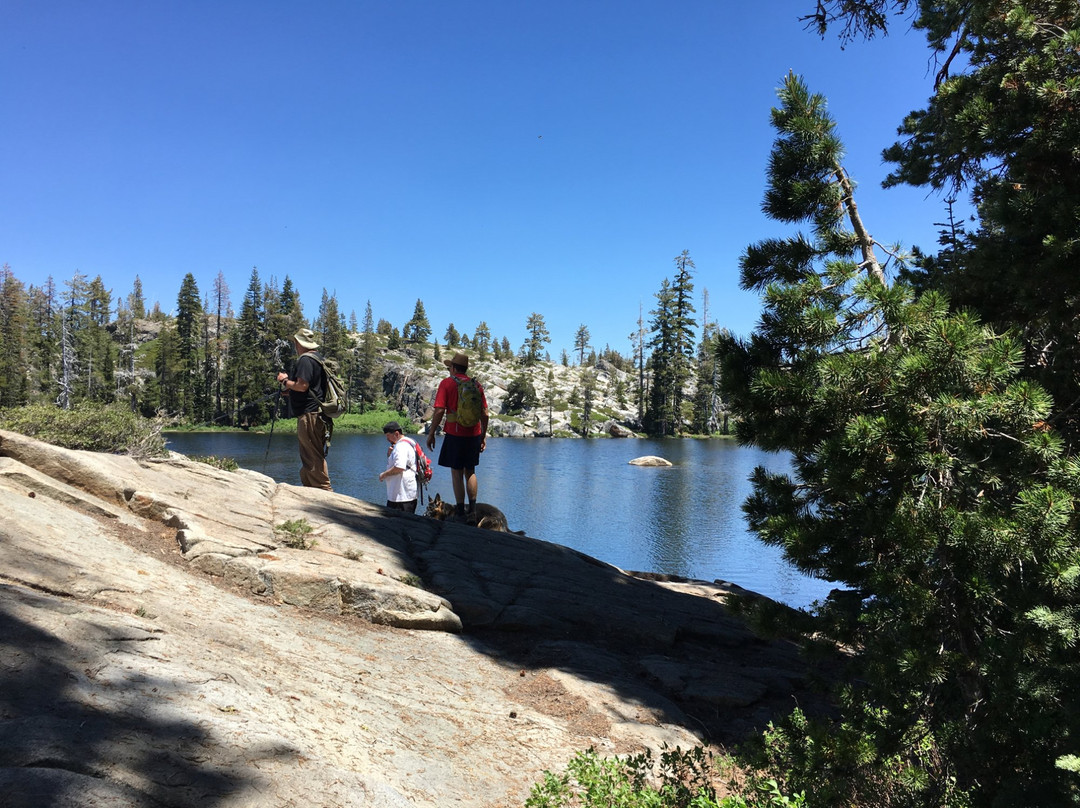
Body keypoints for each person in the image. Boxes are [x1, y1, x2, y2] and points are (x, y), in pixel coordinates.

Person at [426, 351, 488, 518]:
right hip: (474, 434)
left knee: (456, 472)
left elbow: (439, 411)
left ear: (453, 368)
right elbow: (485, 414)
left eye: (449, 367)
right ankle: (473, 511)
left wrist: (431, 433)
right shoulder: (476, 385)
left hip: (455, 433)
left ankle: (460, 511)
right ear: (465, 369)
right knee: (470, 471)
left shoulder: (447, 383)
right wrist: (483, 436)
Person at [276, 328, 333, 491]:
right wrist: (290, 391)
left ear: (299, 343)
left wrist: (285, 381)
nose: (295, 346)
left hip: (310, 415)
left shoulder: (305, 360)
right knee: (311, 454)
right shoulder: (318, 359)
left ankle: (324, 491)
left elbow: (302, 386)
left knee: (312, 454)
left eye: (295, 342)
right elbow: (311, 389)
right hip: (318, 414)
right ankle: (311, 489)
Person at [379, 420, 418, 512]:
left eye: (388, 436)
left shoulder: (401, 446)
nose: (387, 439)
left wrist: (383, 475)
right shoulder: (410, 442)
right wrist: (390, 455)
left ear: (396, 434)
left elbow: (399, 467)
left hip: (401, 496)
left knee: (397, 523)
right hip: (407, 495)